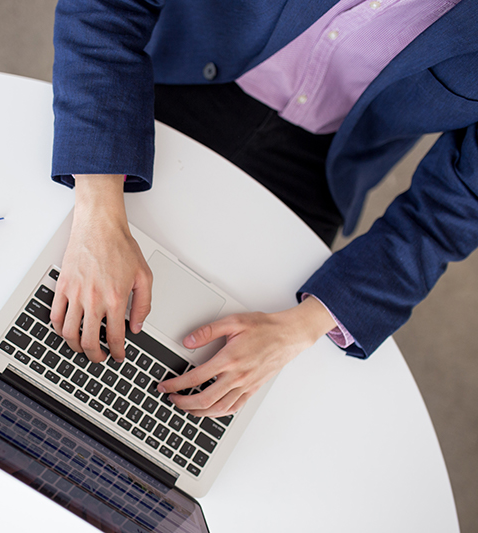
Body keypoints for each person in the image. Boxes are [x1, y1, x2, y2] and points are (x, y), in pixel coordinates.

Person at [47, 0, 478, 419]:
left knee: (211, 388)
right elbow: (105, 6)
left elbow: (455, 206)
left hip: (323, 161)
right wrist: (99, 215)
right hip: (184, 73)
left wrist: (302, 326)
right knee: (57, 286)